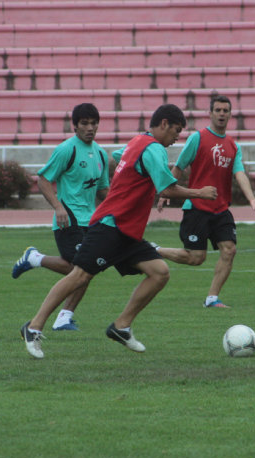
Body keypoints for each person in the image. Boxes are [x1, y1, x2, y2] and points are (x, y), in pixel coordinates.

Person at [20, 103, 217, 358]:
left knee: (159, 272)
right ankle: (33, 327)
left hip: (127, 231)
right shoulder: (153, 148)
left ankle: (121, 326)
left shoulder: (137, 142)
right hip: (110, 225)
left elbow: (118, 155)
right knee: (79, 276)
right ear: (164, 124)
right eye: (176, 131)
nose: (177, 137)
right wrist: (198, 192)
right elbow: (166, 189)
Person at [155, 94, 255, 308]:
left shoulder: (233, 146)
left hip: (220, 208)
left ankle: (212, 298)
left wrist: (252, 199)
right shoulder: (198, 138)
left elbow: (240, 173)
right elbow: (179, 167)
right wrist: (165, 192)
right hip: (197, 207)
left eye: (226, 110)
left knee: (229, 249)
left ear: (230, 114)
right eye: (218, 110)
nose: (222, 114)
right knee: (196, 258)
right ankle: (155, 249)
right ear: (210, 113)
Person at [12, 103, 109, 331]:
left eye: (94, 123)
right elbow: (43, 180)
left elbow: (103, 190)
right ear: (74, 126)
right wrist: (58, 207)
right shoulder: (67, 149)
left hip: (91, 220)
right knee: (81, 269)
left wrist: (120, 207)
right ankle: (35, 258)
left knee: (88, 269)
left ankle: (64, 317)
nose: (90, 128)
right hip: (69, 219)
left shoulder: (101, 155)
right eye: (84, 123)